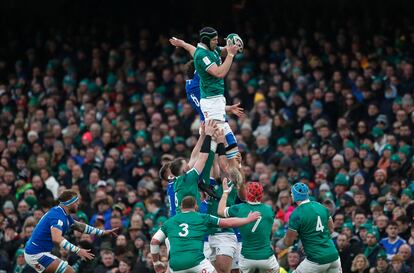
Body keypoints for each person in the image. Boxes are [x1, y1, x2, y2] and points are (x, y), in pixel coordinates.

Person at [150, 196, 261, 273]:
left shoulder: (169, 222)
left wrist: (156, 262)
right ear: (196, 206)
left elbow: (154, 241)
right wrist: (247, 219)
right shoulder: (202, 217)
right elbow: (227, 222)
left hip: (176, 266)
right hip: (196, 262)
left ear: (180, 207)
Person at [24, 190, 118, 273]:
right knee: (69, 271)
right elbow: (56, 238)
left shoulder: (62, 214)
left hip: (37, 251)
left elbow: (80, 227)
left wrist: (102, 232)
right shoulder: (57, 217)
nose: (78, 204)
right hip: (36, 254)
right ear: (70, 203)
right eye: (76, 202)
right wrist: (78, 250)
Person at [218, 179, 280, 273]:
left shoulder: (239, 208)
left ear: (247, 194)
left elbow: (220, 211)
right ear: (261, 195)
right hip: (266, 258)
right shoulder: (269, 209)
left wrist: (225, 193)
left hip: (246, 258)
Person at [277, 182, 341, 273]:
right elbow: (331, 229)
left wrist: (281, 244)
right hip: (334, 256)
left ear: (294, 196)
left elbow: (288, 242)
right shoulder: (320, 206)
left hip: (316, 259)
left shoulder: (296, 213)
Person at [159, 120, 217, 215]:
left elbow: (194, 157)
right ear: (170, 175)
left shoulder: (178, 180)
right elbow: (201, 158)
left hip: (181, 216)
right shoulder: (184, 179)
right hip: (184, 216)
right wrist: (208, 135)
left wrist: (202, 136)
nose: (188, 165)